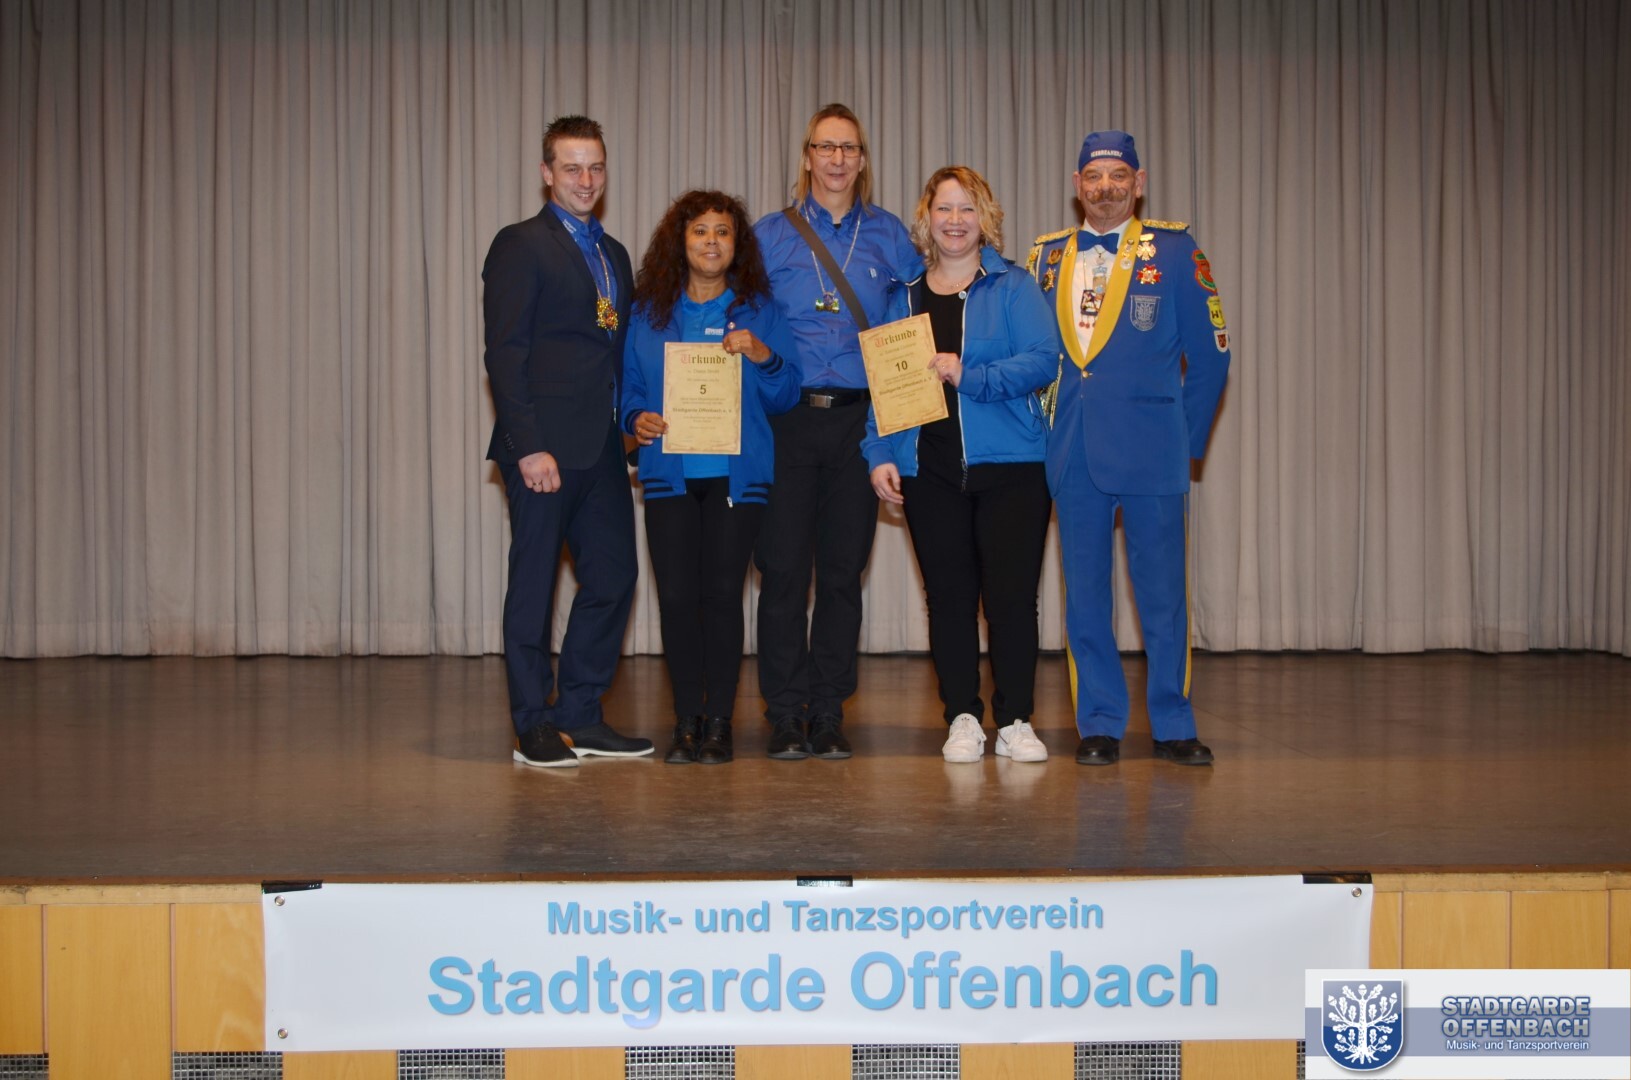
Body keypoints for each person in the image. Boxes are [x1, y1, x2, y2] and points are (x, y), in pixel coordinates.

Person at [1026, 130, 1232, 766]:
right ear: (1076, 185)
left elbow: (1212, 357)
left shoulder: (1175, 250)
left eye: (1118, 175)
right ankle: (1099, 723)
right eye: (1093, 176)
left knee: (1163, 598)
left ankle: (1173, 723)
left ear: (1138, 183)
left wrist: (1184, 443)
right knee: (1084, 599)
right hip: (1074, 453)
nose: (1105, 187)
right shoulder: (1046, 258)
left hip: (1153, 453)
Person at [862, 166, 1057, 764]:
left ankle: (1016, 719)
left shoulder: (1014, 287)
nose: (955, 220)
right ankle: (962, 718)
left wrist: (968, 375)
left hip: (1014, 469)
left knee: (1011, 601)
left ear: (985, 219)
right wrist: (879, 454)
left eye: (967, 209)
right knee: (947, 600)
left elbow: (1042, 361)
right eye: (944, 209)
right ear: (926, 219)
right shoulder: (902, 297)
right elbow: (882, 388)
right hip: (930, 472)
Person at [482, 115, 651, 768]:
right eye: (572, 167)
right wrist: (527, 445)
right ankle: (531, 724)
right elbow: (505, 353)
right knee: (533, 586)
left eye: (595, 167)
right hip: (542, 450)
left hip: (602, 446)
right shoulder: (520, 244)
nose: (586, 179)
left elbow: (614, 348)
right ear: (547, 173)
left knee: (614, 576)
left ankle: (579, 712)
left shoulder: (614, 255)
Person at [752, 103, 917, 760]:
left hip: (858, 422)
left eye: (849, 148)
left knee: (843, 573)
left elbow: (916, 316)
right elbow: (740, 319)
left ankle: (827, 710)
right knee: (783, 572)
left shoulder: (890, 235)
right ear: (807, 156)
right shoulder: (769, 236)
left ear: (862, 159)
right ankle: (783, 712)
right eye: (826, 147)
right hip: (786, 420)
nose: (837, 159)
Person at [622, 190, 802, 765]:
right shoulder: (649, 311)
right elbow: (628, 388)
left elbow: (787, 394)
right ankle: (686, 722)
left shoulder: (760, 310)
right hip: (668, 475)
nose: (711, 241)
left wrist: (763, 355)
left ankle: (719, 722)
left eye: (722, 232)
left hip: (736, 478)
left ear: (737, 244)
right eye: (699, 230)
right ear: (680, 241)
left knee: (722, 597)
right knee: (676, 599)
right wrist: (635, 418)